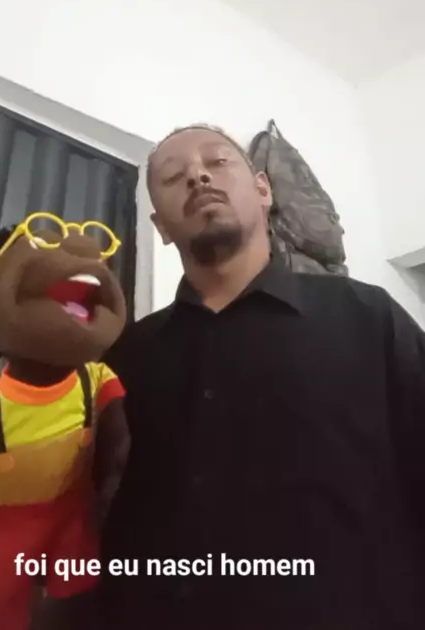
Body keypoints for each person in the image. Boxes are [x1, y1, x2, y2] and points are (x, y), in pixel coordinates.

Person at [93, 124, 425, 630]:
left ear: (264, 190)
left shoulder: (368, 316)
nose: (198, 176)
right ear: (161, 227)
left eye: (218, 161)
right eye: (174, 176)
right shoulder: (128, 356)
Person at [0, 214, 130, 630]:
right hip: (0, 530)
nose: (82, 249)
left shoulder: (98, 380)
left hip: (73, 520)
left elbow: (120, 451)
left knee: (76, 607)